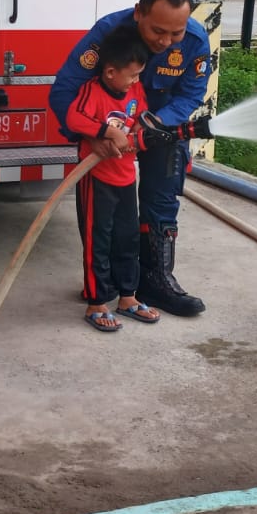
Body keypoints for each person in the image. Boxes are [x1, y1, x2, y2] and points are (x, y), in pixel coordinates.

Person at [49, 0, 212, 317]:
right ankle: (102, 287)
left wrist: (155, 123)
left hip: (162, 126)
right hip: (108, 135)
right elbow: (64, 92)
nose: (165, 42)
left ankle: (156, 280)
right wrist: (95, 136)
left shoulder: (195, 41)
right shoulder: (108, 34)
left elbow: (191, 94)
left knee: (161, 199)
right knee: (102, 217)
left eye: (176, 33)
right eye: (157, 31)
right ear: (139, 13)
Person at [64, 26, 161, 332]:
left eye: (138, 75)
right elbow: (74, 118)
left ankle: (128, 297)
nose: (136, 81)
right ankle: (96, 302)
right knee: (98, 241)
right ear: (110, 72)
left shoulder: (134, 91)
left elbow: (141, 116)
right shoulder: (92, 92)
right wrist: (108, 131)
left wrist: (140, 132)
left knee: (127, 238)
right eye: (132, 75)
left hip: (125, 177)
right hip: (96, 178)